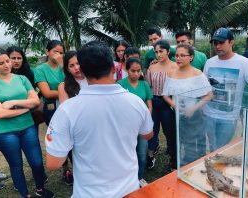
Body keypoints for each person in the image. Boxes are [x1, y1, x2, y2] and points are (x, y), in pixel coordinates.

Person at [45, 42, 153, 198]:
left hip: (89, 193)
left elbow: (53, 163)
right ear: (114, 69)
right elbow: (148, 134)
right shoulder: (136, 102)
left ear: (82, 70)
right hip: (129, 190)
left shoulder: (67, 110)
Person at [0, 47, 54, 198]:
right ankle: (25, 194)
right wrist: (25, 108)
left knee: (36, 162)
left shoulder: (22, 79)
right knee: (16, 165)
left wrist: (12, 102)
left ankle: (40, 189)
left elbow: (35, 100)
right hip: (5, 133)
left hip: (27, 127)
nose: (7, 65)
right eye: (1, 63)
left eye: (7, 61)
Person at [203, 28, 248, 151]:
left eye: (221, 42)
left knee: (222, 149)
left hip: (228, 118)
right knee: (212, 148)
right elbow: (205, 87)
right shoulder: (209, 63)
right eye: (215, 43)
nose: (217, 46)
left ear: (231, 42)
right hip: (209, 114)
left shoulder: (244, 63)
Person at [162, 44, 212, 165]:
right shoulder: (171, 74)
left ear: (191, 57)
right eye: (177, 55)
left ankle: (200, 165)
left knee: (199, 143)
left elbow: (209, 95)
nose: (178, 58)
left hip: (196, 116)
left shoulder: (197, 73)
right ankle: (184, 166)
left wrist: (193, 108)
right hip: (178, 116)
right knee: (183, 142)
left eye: (182, 55)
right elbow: (165, 95)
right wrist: (174, 105)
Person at [117, 57, 152, 187]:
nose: (136, 74)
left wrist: (146, 121)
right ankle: (126, 179)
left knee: (142, 153)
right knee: (127, 154)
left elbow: (149, 105)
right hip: (125, 126)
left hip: (142, 125)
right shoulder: (120, 85)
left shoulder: (144, 85)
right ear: (127, 69)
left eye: (138, 71)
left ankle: (139, 177)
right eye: (133, 71)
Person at [146, 39, 178, 170]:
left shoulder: (175, 66)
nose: (158, 54)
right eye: (156, 52)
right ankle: (149, 156)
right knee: (152, 130)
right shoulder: (152, 67)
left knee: (169, 131)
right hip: (154, 101)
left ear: (168, 51)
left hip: (168, 102)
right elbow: (148, 86)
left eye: (161, 51)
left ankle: (173, 160)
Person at [57, 50, 88, 185]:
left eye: (78, 63)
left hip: (98, 127)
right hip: (78, 130)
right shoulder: (64, 86)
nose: (76, 67)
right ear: (67, 69)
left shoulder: (94, 80)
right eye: (72, 65)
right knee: (81, 160)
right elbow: (66, 112)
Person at [7, 46, 44, 127]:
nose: (16, 61)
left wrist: (36, 98)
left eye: (19, 58)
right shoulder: (2, 76)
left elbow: (42, 88)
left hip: (29, 110)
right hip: (9, 112)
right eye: (13, 58)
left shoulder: (29, 73)